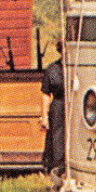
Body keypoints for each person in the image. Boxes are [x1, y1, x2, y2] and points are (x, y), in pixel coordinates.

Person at [40, 39, 66, 179]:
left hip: (74, 105)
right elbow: (45, 93)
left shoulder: (77, 67)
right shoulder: (52, 69)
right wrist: (44, 117)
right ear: (60, 50)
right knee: (57, 138)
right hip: (58, 106)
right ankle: (57, 171)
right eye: (63, 49)